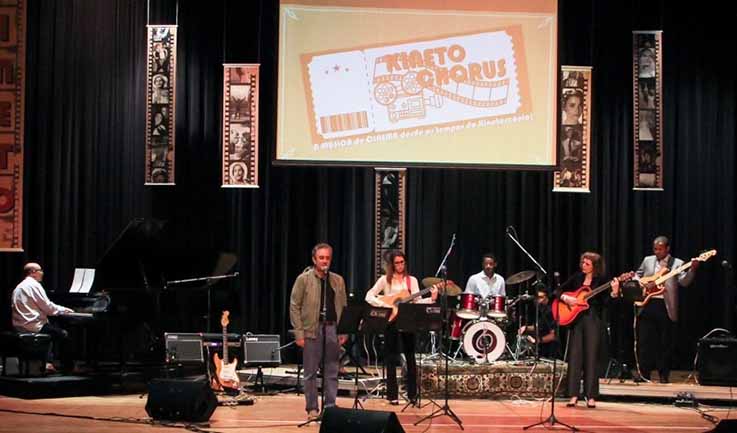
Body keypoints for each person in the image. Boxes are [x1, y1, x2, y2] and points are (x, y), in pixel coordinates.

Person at [365, 250, 438, 405]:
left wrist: (431, 299)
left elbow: (417, 301)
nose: (400, 265)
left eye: (402, 262)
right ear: (392, 264)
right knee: (391, 357)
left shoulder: (412, 281)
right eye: (397, 262)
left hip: (407, 321)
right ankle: (392, 395)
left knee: (410, 357)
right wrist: (387, 305)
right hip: (391, 321)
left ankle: (412, 395)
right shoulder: (385, 280)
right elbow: (369, 296)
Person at [289, 243, 348, 421]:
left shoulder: (338, 280)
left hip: (332, 329)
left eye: (327, 258)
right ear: (314, 259)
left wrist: (343, 330)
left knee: (332, 370)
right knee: (310, 372)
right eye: (321, 258)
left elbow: (344, 306)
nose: (324, 261)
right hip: (312, 330)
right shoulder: (304, 279)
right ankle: (312, 409)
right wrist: (299, 333)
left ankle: (330, 406)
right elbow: (294, 306)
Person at [555, 252, 619, 408]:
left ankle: (590, 395)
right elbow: (557, 291)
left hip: (593, 320)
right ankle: (573, 395)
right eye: (583, 262)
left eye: (587, 263)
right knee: (575, 357)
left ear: (594, 266)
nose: (583, 265)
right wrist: (565, 298)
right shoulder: (576, 278)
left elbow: (606, 303)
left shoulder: (602, 281)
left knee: (591, 357)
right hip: (576, 320)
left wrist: (614, 292)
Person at [634, 236, 698, 383]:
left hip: (665, 305)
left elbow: (684, 282)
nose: (657, 252)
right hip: (647, 303)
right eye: (655, 249)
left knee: (664, 343)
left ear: (667, 249)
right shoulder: (647, 260)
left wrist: (692, 270)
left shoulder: (678, 263)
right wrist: (644, 284)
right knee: (645, 341)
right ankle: (644, 374)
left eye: (660, 249)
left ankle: (663, 375)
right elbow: (638, 275)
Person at [11, 263, 75, 372]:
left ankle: (48, 363)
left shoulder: (19, 287)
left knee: (50, 327)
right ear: (33, 272)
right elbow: (48, 307)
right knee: (64, 335)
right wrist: (64, 310)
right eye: (40, 270)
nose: (42, 273)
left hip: (20, 325)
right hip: (33, 326)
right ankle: (68, 368)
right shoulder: (33, 285)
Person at [518, 288, 560, 359]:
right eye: (537, 298)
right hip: (542, 344)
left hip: (551, 350)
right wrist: (526, 328)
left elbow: (554, 336)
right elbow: (539, 326)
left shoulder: (551, 311)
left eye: (541, 297)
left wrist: (537, 341)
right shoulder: (541, 309)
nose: (538, 300)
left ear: (547, 297)